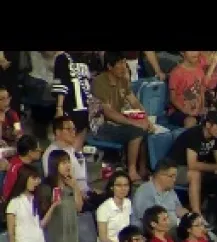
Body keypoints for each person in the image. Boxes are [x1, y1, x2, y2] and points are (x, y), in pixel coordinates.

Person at [91, 52, 152, 182]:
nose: (124, 66)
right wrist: (134, 123)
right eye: (119, 63)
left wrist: (146, 119)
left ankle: (142, 168)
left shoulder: (123, 80)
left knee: (146, 129)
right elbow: (108, 113)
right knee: (136, 131)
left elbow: (134, 101)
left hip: (118, 122)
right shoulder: (99, 82)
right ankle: (131, 170)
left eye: (124, 62)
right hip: (102, 125)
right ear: (109, 66)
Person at [166, 111, 217, 216]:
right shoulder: (194, 135)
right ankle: (196, 214)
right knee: (195, 174)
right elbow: (192, 164)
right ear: (208, 125)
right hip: (174, 169)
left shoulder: (215, 137)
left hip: (191, 169)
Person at [36, 150, 82, 242]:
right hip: (54, 240)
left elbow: (79, 207)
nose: (67, 165)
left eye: (68, 162)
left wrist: (75, 187)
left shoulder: (71, 185)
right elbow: (43, 215)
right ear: (54, 165)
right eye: (63, 162)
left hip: (71, 237)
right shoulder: (46, 187)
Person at [6, 165, 49, 242]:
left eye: (38, 179)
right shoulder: (14, 202)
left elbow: (41, 225)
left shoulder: (38, 199)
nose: (37, 182)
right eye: (34, 178)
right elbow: (11, 232)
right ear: (24, 178)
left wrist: (54, 206)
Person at [132, 158, 189, 235]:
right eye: (171, 176)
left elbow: (180, 210)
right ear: (160, 175)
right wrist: (176, 219)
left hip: (171, 231)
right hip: (151, 235)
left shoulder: (171, 191)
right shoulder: (145, 191)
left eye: (175, 176)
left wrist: (187, 217)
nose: (174, 180)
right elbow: (149, 222)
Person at [168, 51, 217, 128]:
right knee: (191, 121)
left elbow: (201, 91)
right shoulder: (176, 73)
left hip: (196, 111)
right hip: (179, 111)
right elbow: (173, 98)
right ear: (182, 53)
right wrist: (186, 111)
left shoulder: (199, 70)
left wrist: (202, 108)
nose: (195, 53)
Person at [52, 51, 92, 151]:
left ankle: (73, 163)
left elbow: (61, 84)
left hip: (79, 108)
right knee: (70, 147)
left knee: (74, 148)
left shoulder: (83, 58)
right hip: (76, 107)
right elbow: (61, 85)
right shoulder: (64, 58)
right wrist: (59, 107)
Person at [42, 116, 90, 195]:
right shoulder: (51, 154)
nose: (73, 132)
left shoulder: (71, 149)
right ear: (58, 132)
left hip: (85, 192)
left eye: (74, 129)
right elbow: (53, 183)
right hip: (70, 196)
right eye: (68, 129)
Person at [95, 171, 132, 242]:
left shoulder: (128, 203)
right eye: (119, 185)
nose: (123, 188)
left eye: (126, 185)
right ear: (112, 187)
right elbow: (103, 239)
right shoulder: (104, 208)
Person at [2, 135, 42, 201]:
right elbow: (8, 194)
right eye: (38, 149)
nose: (40, 150)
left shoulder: (17, 160)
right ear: (30, 153)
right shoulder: (17, 169)